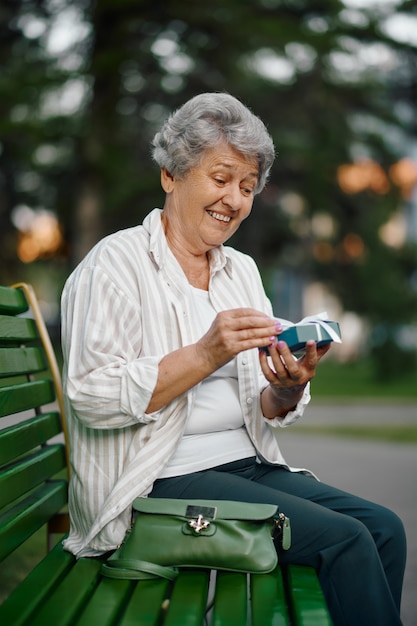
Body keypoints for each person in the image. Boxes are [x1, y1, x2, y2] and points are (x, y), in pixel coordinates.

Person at [61, 92, 406, 626]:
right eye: (221, 178)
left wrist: (288, 386)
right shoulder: (113, 264)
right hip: (157, 482)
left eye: (247, 187)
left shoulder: (240, 271)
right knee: (346, 542)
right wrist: (204, 353)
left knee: (384, 527)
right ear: (171, 175)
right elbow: (91, 398)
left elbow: (261, 405)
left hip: (246, 465)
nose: (235, 200)